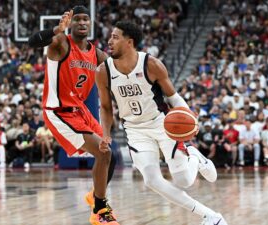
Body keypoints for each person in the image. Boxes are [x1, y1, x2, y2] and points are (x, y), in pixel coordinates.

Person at [96, 20, 228, 225]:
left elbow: (173, 98)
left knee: (183, 180)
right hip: (134, 129)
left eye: (115, 37)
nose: (109, 41)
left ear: (129, 42)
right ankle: (210, 216)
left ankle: (194, 156)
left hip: (162, 124)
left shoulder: (151, 64)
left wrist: (190, 118)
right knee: (151, 179)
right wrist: (106, 132)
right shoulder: (103, 71)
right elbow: (105, 107)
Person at [28, 6, 118, 224]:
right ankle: (99, 211)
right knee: (103, 154)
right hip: (58, 111)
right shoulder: (60, 43)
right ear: (71, 23)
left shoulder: (95, 53)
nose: (81, 23)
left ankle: (94, 195)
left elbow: (117, 68)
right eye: (77, 19)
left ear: (90, 23)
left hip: (79, 110)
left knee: (111, 157)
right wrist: (55, 30)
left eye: (85, 19)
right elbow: (32, 42)